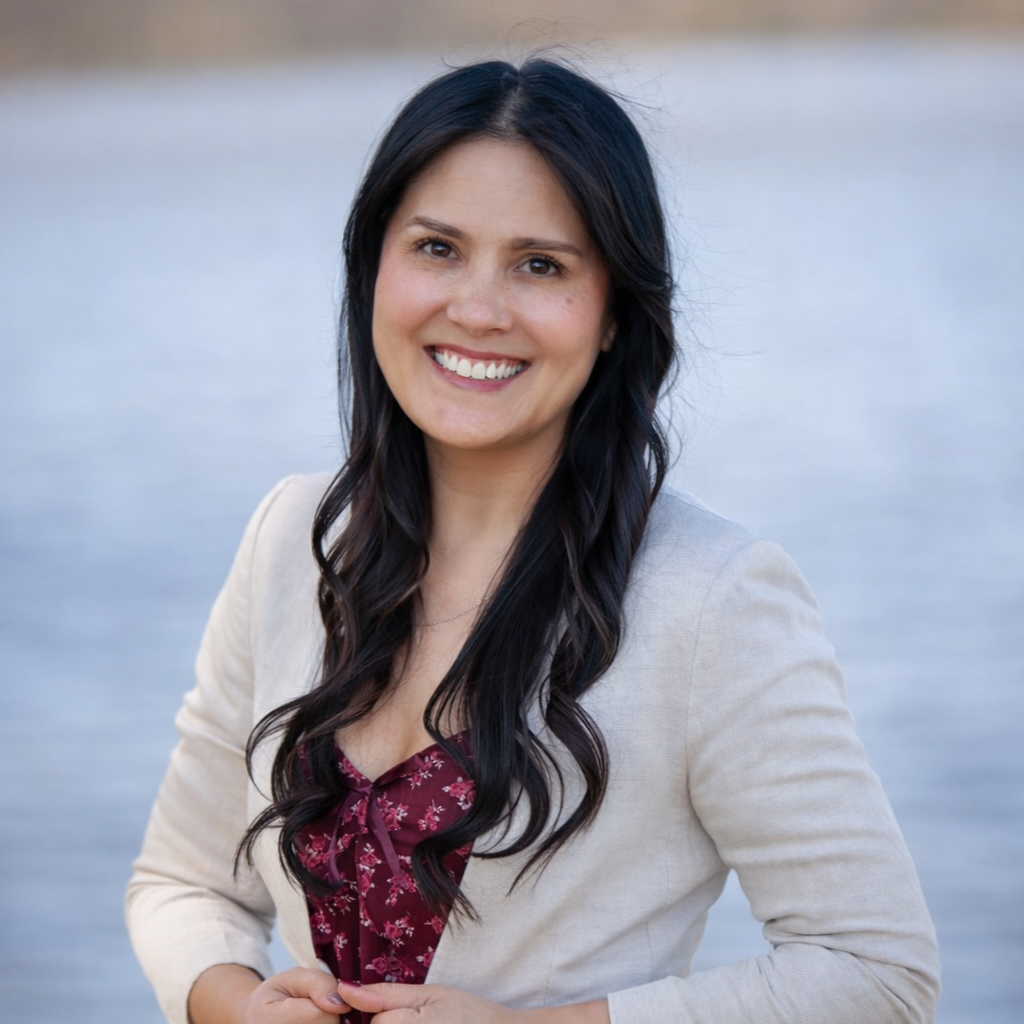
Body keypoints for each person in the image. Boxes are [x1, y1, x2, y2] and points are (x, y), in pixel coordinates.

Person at [127, 57, 940, 1024]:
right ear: (373, 267)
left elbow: (876, 972)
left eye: (540, 265)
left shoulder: (714, 600)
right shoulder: (293, 539)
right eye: (436, 248)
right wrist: (235, 1002)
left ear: (611, 317)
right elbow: (182, 883)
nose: (477, 308)